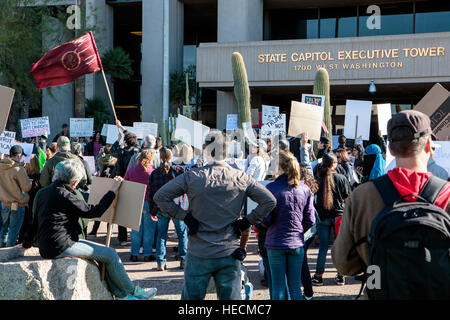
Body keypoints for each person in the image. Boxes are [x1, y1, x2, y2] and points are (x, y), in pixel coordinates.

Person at [332, 110, 450, 296]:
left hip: (381, 290)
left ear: (391, 150)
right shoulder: (448, 194)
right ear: (428, 145)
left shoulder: (362, 196)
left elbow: (345, 265)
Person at [153, 130, 277, 300]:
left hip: (199, 251)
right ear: (226, 151)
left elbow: (160, 196)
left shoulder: (192, 176)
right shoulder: (241, 177)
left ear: (205, 149)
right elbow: (269, 201)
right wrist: (246, 222)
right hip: (228, 251)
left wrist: (184, 216)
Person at [21, 159, 157, 300]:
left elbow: (34, 222)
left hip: (49, 245)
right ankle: (132, 291)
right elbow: (94, 212)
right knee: (110, 254)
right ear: (74, 182)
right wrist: (112, 190)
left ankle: (123, 294)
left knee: (105, 254)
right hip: (60, 246)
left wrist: (26, 244)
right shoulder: (65, 195)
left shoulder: (44, 192)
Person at [262, 151, 315, 300]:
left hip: (275, 242)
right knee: (295, 288)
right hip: (297, 243)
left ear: (279, 167)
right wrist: (298, 230)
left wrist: (264, 224)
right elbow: (310, 219)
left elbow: (266, 219)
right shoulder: (305, 189)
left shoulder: (271, 188)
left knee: (278, 287)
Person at [312, 152, 351, 286]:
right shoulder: (341, 178)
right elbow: (348, 199)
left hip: (322, 217)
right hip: (338, 217)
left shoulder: (317, 179)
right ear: (334, 164)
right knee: (339, 247)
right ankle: (340, 276)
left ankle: (318, 276)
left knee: (323, 248)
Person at [147, 147, 188, 270]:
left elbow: (151, 193)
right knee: (182, 234)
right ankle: (184, 260)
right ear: (171, 157)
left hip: (161, 207)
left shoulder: (154, 173)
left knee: (161, 235)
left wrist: (152, 210)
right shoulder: (179, 170)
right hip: (177, 207)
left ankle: (161, 262)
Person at [110, 120, 141, 246]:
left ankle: (122, 238)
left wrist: (118, 140)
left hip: (122, 181)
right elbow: (132, 137)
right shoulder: (139, 150)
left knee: (121, 210)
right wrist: (122, 128)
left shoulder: (121, 152)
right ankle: (136, 237)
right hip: (134, 182)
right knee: (135, 210)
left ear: (125, 141)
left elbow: (112, 151)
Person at [124, 150, 156, 262]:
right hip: (149, 202)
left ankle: (134, 253)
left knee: (135, 229)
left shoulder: (132, 169)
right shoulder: (153, 171)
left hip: (135, 201)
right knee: (149, 229)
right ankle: (147, 254)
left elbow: (125, 182)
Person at [0, 146, 32, 247]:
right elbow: (26, 188)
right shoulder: (19, 169)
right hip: (17, 204)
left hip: (4, 203)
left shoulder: (1, 166)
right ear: (19, 155)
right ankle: (8, 255)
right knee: (13, 232)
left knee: (4, 229)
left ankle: (1, 252)